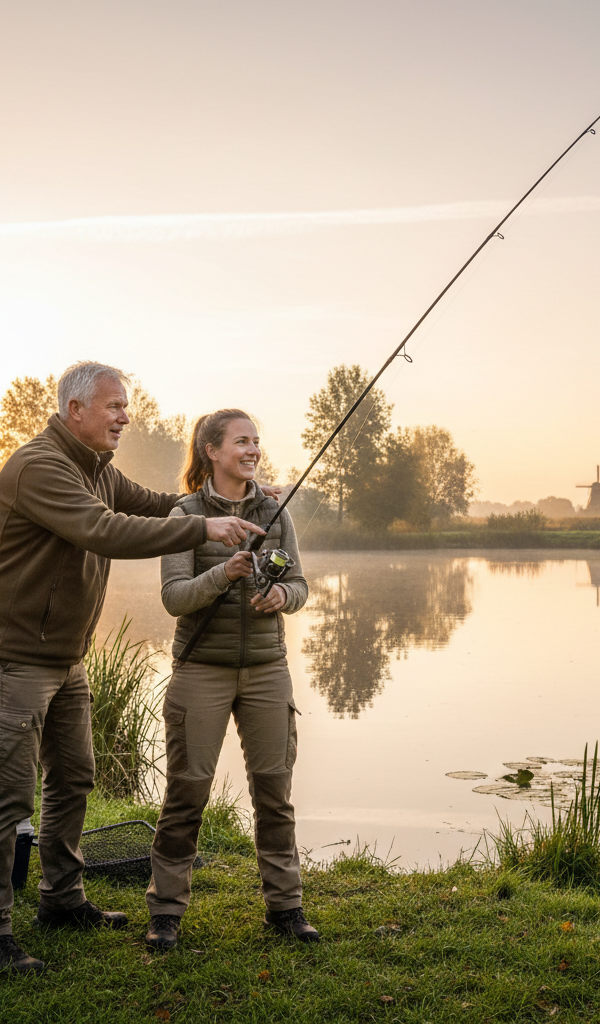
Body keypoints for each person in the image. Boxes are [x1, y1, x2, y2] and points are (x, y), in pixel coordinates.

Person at [0, 363, 270, 975]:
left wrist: (232, 497)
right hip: (16, 658)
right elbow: (106, 530)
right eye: (114, 406)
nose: (126, 416)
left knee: (73, 779)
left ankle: (61, 900)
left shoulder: (95, 467)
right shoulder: (40, 465)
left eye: (126, 406)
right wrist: (206, 525)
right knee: (9, 797)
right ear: (74, 410)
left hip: (65, 657)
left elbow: (156, 503)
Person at [144, 408, 318, 949]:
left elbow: (302, 584)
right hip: (201, 671)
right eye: (241, 441)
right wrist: (226, 572)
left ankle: (285, 908)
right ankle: (166, 912)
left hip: (268, 669)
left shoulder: (275, 509)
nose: (252, 449)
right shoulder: (185, 513)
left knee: (274, 791)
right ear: (211, 451)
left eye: (256, 441)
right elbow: (175, 598)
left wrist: (280, 596)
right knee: (187, 792)